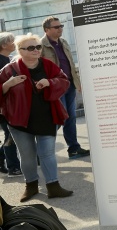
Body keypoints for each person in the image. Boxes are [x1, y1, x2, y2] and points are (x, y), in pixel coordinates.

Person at [0, 34, 73, 201]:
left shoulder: (48, 65)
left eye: (38, 47)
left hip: (47, 116)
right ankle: (31, 186)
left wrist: (50, 82)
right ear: (20, 50)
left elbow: (64, 81)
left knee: (47, 153)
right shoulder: (9, 70)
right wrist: (7, 84)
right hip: (19, 120)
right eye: (31, 48)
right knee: (27, 155)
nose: (36, 50)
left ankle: (53, 186)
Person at [40, 16, 90, 159]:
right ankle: (42, 151)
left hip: (69, 85)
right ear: (47, 30)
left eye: (61, 26)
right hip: (55, 88)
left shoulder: (64, 42)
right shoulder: (40, 46)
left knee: (71, 117)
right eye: (56, 27)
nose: (60, 29)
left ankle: (73, 148)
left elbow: (70, 64)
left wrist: (77, 82)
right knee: (59, 119)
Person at [0, 32, 22, 176]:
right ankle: (13, 167)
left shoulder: (8, 59)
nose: (14, 43)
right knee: (10, 134)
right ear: (3, 45)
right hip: (3, 105)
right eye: (11, 41)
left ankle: (2, 159)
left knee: (12, 133)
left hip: (11, 103)